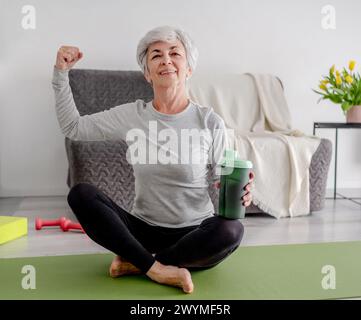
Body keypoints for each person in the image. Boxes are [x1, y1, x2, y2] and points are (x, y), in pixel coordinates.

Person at [52, 26, 254, 294]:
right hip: (143, 230)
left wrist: (243, 193)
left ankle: (139, 263)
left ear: (189, 68)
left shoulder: (209, 122)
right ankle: (158, 269)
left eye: (174, 53)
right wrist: (60, 74)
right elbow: (73, 128)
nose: (166, 60)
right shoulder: (133, 116)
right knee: (81, 194)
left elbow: (222, 181)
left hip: (194, 233)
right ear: (147, 73)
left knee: (231, 231)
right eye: (156, 55)